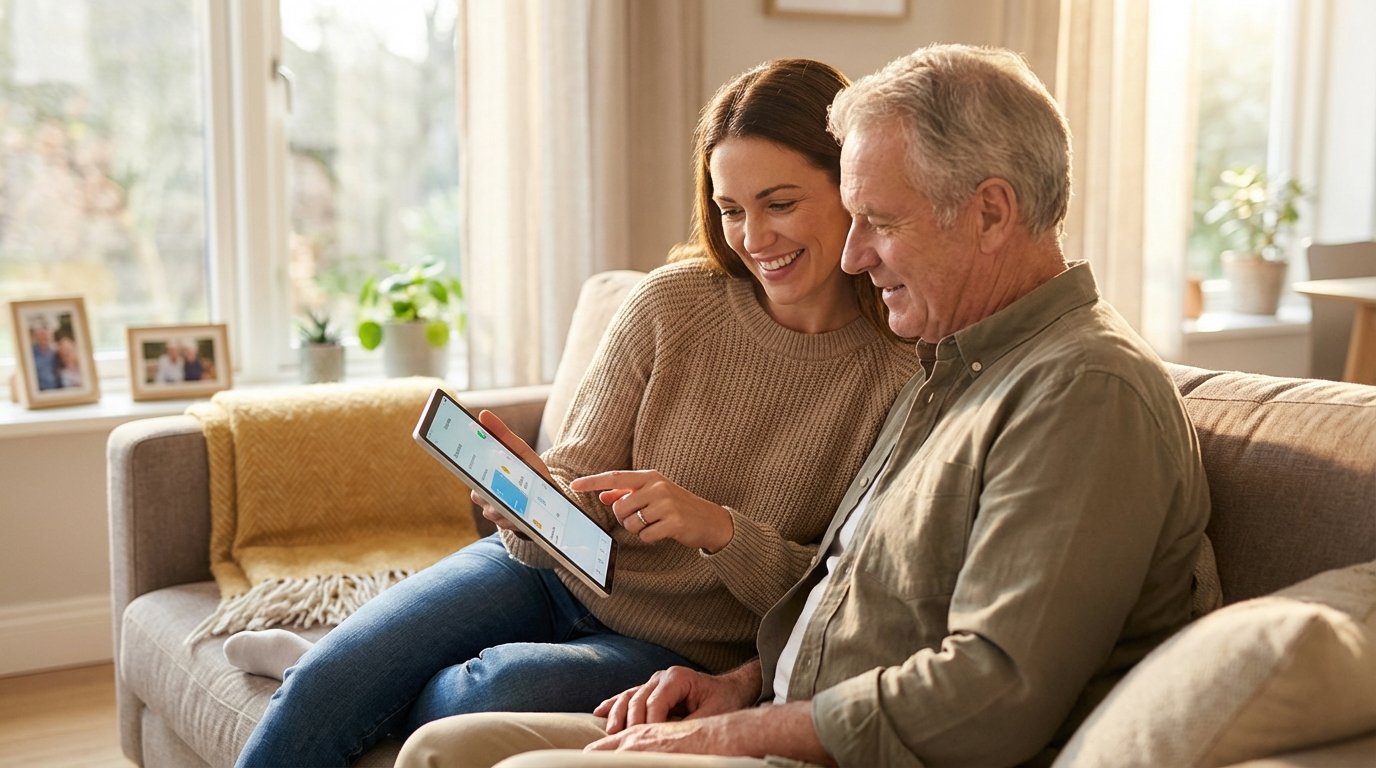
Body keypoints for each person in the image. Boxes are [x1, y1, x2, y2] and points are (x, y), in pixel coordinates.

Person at [394, 43, 1213, 768]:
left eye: (880, 223)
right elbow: (848, 595)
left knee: (464, 740)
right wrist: (738, 687)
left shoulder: (1083, 393)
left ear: (991, 212)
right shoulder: (954, 368)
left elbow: (990, 696)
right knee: (440, 747)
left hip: (832, 752)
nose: (854, 255)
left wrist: (742, 731)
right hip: (768, 715)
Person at [231, 57, 919, 767]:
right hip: (546, 575)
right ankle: (323, 668)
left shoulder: (902, 371)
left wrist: (718, 529)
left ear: (853, 187)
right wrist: (530, 498)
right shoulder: (669, 304)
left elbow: (840, 595)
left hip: (676, 644)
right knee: (330, 678)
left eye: (779, 203)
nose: (753, 238)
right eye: (731, 210)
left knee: (467, 699)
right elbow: (575, 479)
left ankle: (355, 680)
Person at [29, 317, 60, 391]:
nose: (46, 337)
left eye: (48, 335)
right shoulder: (30, 353)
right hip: (39, 390)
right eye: (42, 335)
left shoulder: (56, 352)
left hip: (57, 389)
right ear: (36, 337)